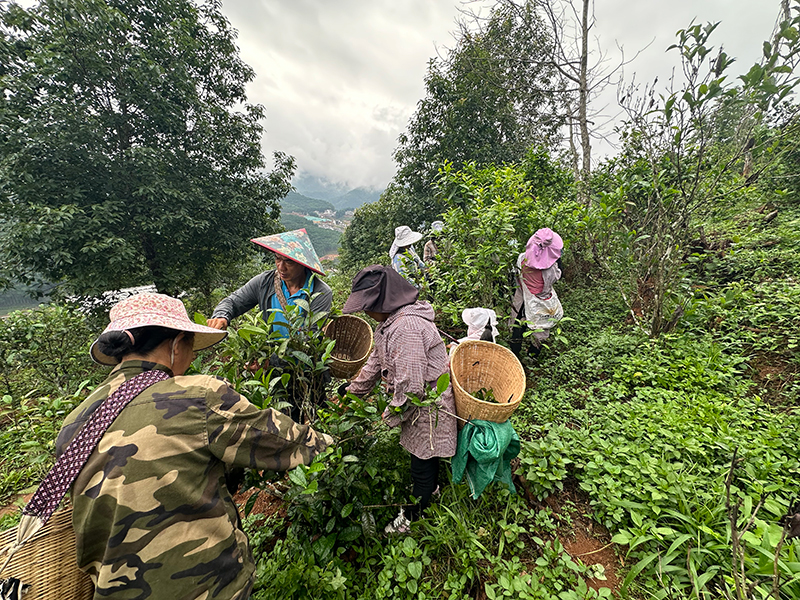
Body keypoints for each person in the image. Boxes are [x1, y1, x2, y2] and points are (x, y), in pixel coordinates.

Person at [55, 293, 332, 600]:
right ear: (176, 345)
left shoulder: (75, 420)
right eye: (189, 346)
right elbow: (285, 442)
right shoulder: (199, 395)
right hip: (204, 586)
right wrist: (332, 444)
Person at [341, 266, 457, 533]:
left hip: (429, 409)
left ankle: (416, 514)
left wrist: (389, 416)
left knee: (423, 461)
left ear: (384, 300)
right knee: (422, 458)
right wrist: (352, 393)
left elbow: (411, 386)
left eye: (367, 306)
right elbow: (374, 364)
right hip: (419, 408)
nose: (366, 313)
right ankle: (430, 490)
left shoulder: (406, 328)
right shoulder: (390, 324)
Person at [207, 228, 333, 337]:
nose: (281, 267)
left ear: (303, 263)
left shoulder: (320, 293)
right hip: (269, 359)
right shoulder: (264, 282)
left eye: (289, 262)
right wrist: (221, 315)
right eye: (278, 259)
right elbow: (233, 301)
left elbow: (309, 338)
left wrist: (271, 359)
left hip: (300, 364)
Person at [509, 228, 564, 357]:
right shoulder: (551, 271)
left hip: (521, 295)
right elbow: (556, 278)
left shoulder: (521, 258)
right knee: (541, 329)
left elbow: (517, 276)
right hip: (542, 300)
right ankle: (533, 353)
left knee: (517, 323)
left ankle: (515, 353)